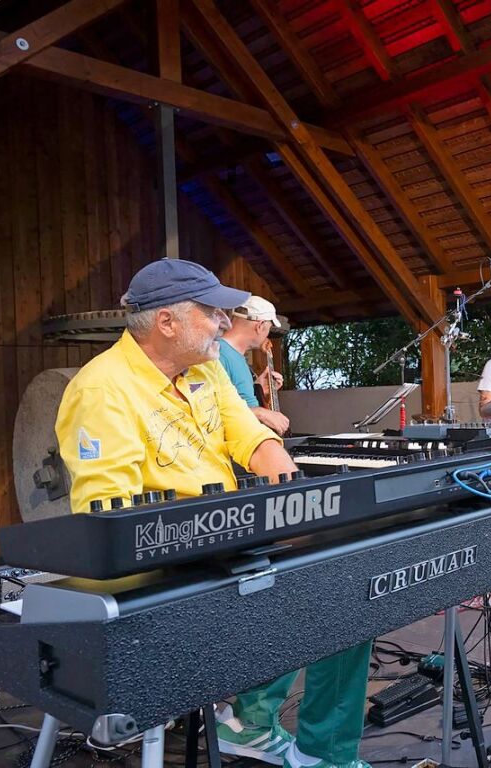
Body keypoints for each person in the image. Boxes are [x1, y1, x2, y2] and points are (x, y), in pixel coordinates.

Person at [55, 259, 373, 768]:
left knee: (348, 593)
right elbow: (108, 517)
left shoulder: (204, 370)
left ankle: (317, 751)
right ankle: (253, 721)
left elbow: (253, 441)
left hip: (226, 549)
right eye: (213, 313)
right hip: (167, 576)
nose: (225, 324)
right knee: (321, 603)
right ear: (167, 322)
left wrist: (302, 510)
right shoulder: (102, 390)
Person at [219, 295, 290, 436]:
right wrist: (261, 413)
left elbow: (240, 400)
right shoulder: (218, 354)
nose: (267, 334)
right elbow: (210, 409)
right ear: (260, 326)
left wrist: (259, 389)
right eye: (268, 328)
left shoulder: (237, 357)